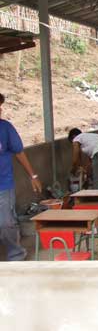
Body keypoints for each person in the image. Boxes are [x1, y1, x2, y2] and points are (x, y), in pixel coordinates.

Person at [0, 93, 42, 261]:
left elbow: (19, 152)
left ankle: (16, 255)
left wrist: (33, 176)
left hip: (3, 185)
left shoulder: (5, 128)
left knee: (6, 223)